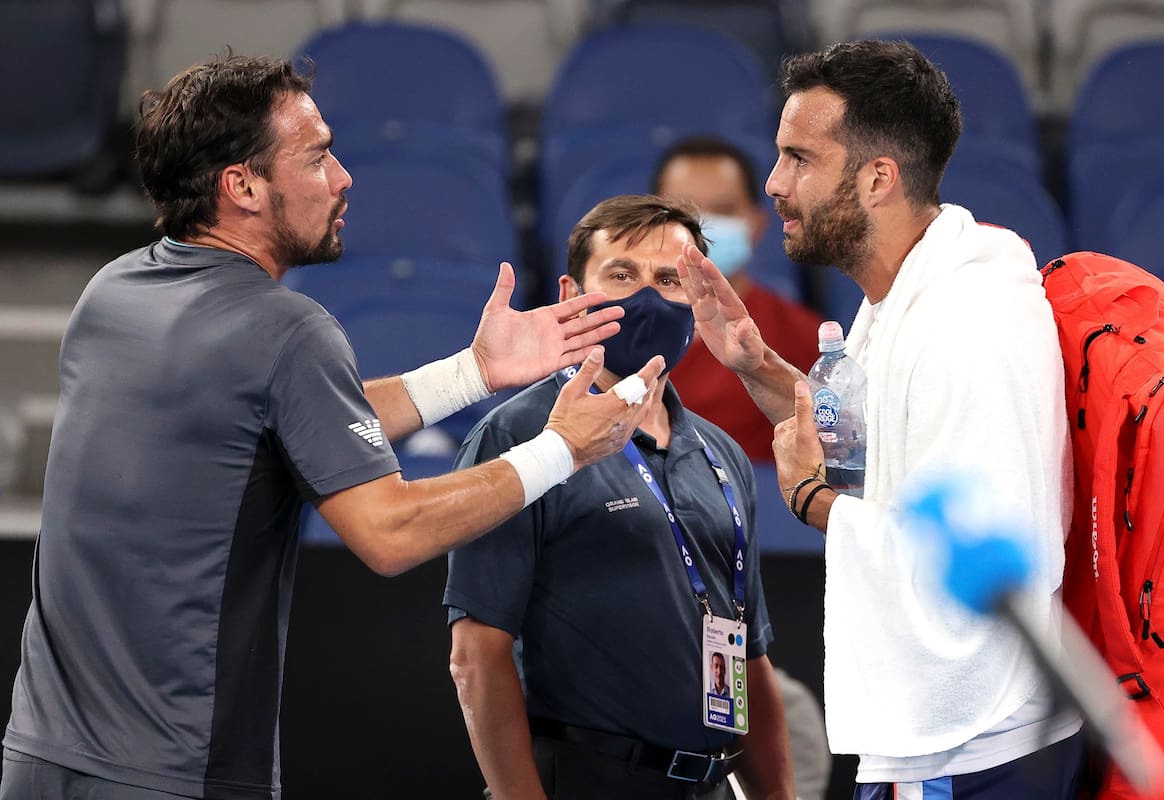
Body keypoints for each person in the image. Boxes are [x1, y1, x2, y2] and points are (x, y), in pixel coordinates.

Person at [0, 55, 666, 800]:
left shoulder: (112, 294)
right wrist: (561, 449)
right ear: (243, 185)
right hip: (175, 774)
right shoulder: (286, 329)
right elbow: (391, 533)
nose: (344, 177)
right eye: (316, 156)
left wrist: (472, 374)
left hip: (38, 759)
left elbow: (282, 419)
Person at [677, 41, 1084, 799]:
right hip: (937, 736)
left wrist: (810, 502)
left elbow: (970, 559)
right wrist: (758, 367)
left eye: (800, 159)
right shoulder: (905, 296)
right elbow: (870, 445)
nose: (774, 185)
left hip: (972, 745)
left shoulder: (968, 327)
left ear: (876, 178)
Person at [444, 195, 794, 800]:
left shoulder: (722, 454)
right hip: (585, 778)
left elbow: (749, 657)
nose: (648, 298)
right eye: (622, 275)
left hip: (709, 783)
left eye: (669, 279)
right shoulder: (518, 435)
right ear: (569, 292)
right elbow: (476, 656)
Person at [651, 136, 823, 462]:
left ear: (757, 224)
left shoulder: (804, 338)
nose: (703, 226)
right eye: (684, 210)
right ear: (649, 221)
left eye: (724, 210)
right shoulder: (613, 328)